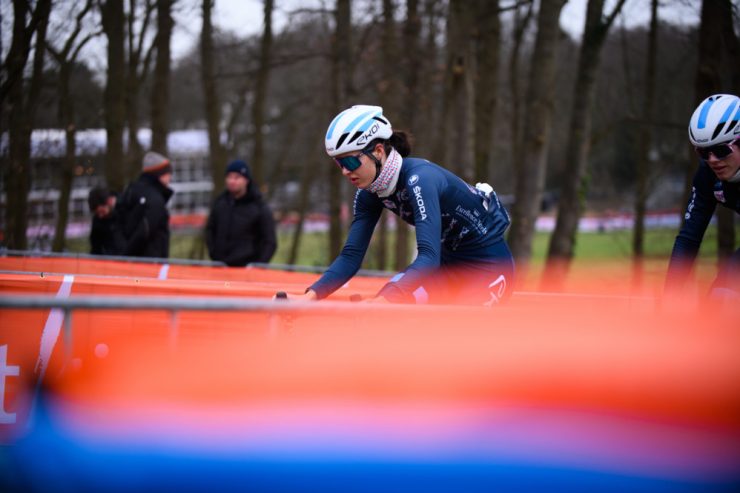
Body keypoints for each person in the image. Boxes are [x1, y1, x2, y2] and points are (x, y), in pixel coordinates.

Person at [276, 104, 514, 305]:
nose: (346, 171)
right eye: (339, 163)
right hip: (446, 267)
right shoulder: (370, 192)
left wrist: (384, 301)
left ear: (378, 151)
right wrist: (310, 297)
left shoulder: (420, 179)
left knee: (448, 338)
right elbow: (351, 256)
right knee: (389, 313)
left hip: (489, 269)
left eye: (350, 160)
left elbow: (428, 256)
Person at [665, 93, 740, 298]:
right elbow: (689, 238)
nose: (713, 160)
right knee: (720, 296)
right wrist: (669, 296)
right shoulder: (708, 174)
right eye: (704, 152)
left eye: (721, 149)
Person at [206, 159, 277, 266]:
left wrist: (258, 265)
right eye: (229, 177)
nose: (232, 181)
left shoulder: (259, 207)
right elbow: (210, 231)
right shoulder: (220, 204)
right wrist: (214, 256)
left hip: (248, 271)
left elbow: (269, 241)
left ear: (246, 180)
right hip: (221, 268)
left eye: (237, 177)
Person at [115, 151, 174, 258]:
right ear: (159, 174)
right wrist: (127, 253)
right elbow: (146, 230)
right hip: (150, 261)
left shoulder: (131, 190)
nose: (170, 177)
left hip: (131, 258)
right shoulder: (155, 198)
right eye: (168, 173)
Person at [87, 186, 123, 255]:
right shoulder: (97, 221)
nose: (100, 216)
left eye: (102, 211)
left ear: (108, 202)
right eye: (97, 213)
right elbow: (95, 246)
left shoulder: (124, 210)